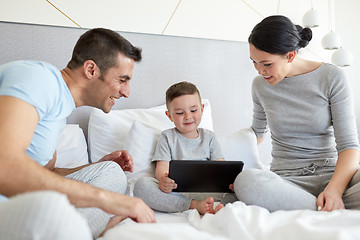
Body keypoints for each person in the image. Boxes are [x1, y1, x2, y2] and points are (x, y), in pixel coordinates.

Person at [0, 28, 156, 240]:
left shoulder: (59, 112)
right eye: (122, 80)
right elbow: (5, 166)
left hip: (25, 201)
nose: (126, 92)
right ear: (91, 70)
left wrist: (94, 166)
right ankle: (94, 228)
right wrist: (105, 199)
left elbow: (46, 173)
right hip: (13, 208)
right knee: (57, 209)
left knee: (111, 170)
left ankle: (88, 228)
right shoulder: (38, 78)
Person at [232, 15, 360, 212]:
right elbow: (256, 133)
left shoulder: (331, 77)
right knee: (247, 181)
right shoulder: (260, 86)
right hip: (286, 181)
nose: (260, 71)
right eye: (254, 62)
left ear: (290, 55)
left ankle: (324, 202)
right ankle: (324, 207)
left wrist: (334, 190)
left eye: (266, 64)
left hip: (333, 176)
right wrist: (212, 151)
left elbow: (349, 146)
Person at [133, 81, 225, 214]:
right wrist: (163, 180)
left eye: (193, 110)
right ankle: (194, 205)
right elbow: (162, 168)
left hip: (207, 190)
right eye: (180, 113)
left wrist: (228, 181)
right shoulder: (167, 137)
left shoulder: (209, 137)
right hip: (177, 192)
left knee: (240, 186)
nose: (188, 117)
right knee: (142, 186)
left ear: (202, 109)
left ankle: (213, 204)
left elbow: (221, 166)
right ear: (169, 115)